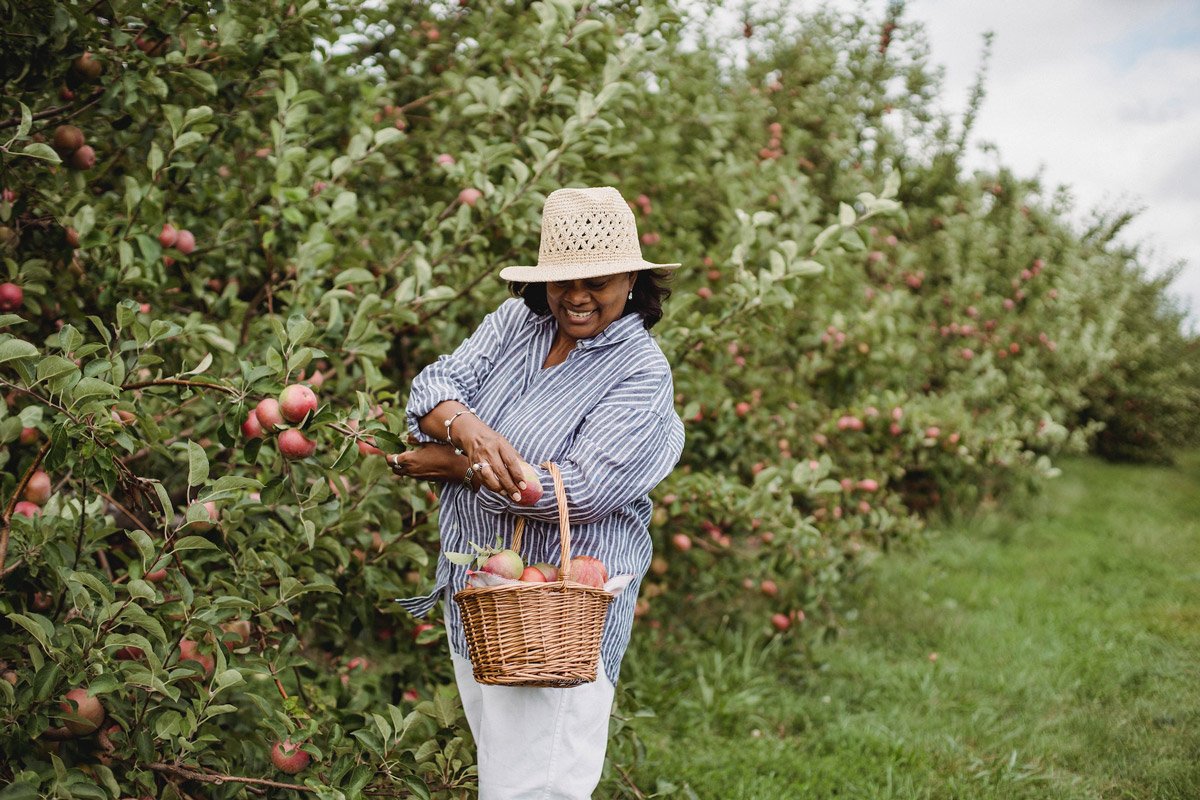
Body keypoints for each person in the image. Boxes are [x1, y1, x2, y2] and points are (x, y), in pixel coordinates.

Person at [391, 186, 685, 799]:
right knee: (505, 779)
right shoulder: (518, 323)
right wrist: (465, 428)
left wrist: (455, 464)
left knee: (534, 789)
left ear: (630, 277)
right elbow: (435, 385)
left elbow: (579, 490)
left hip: (559, 613)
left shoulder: (640, 370)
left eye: (596, 281)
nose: (576, 297)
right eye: (562, 281)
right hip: (482, 600)